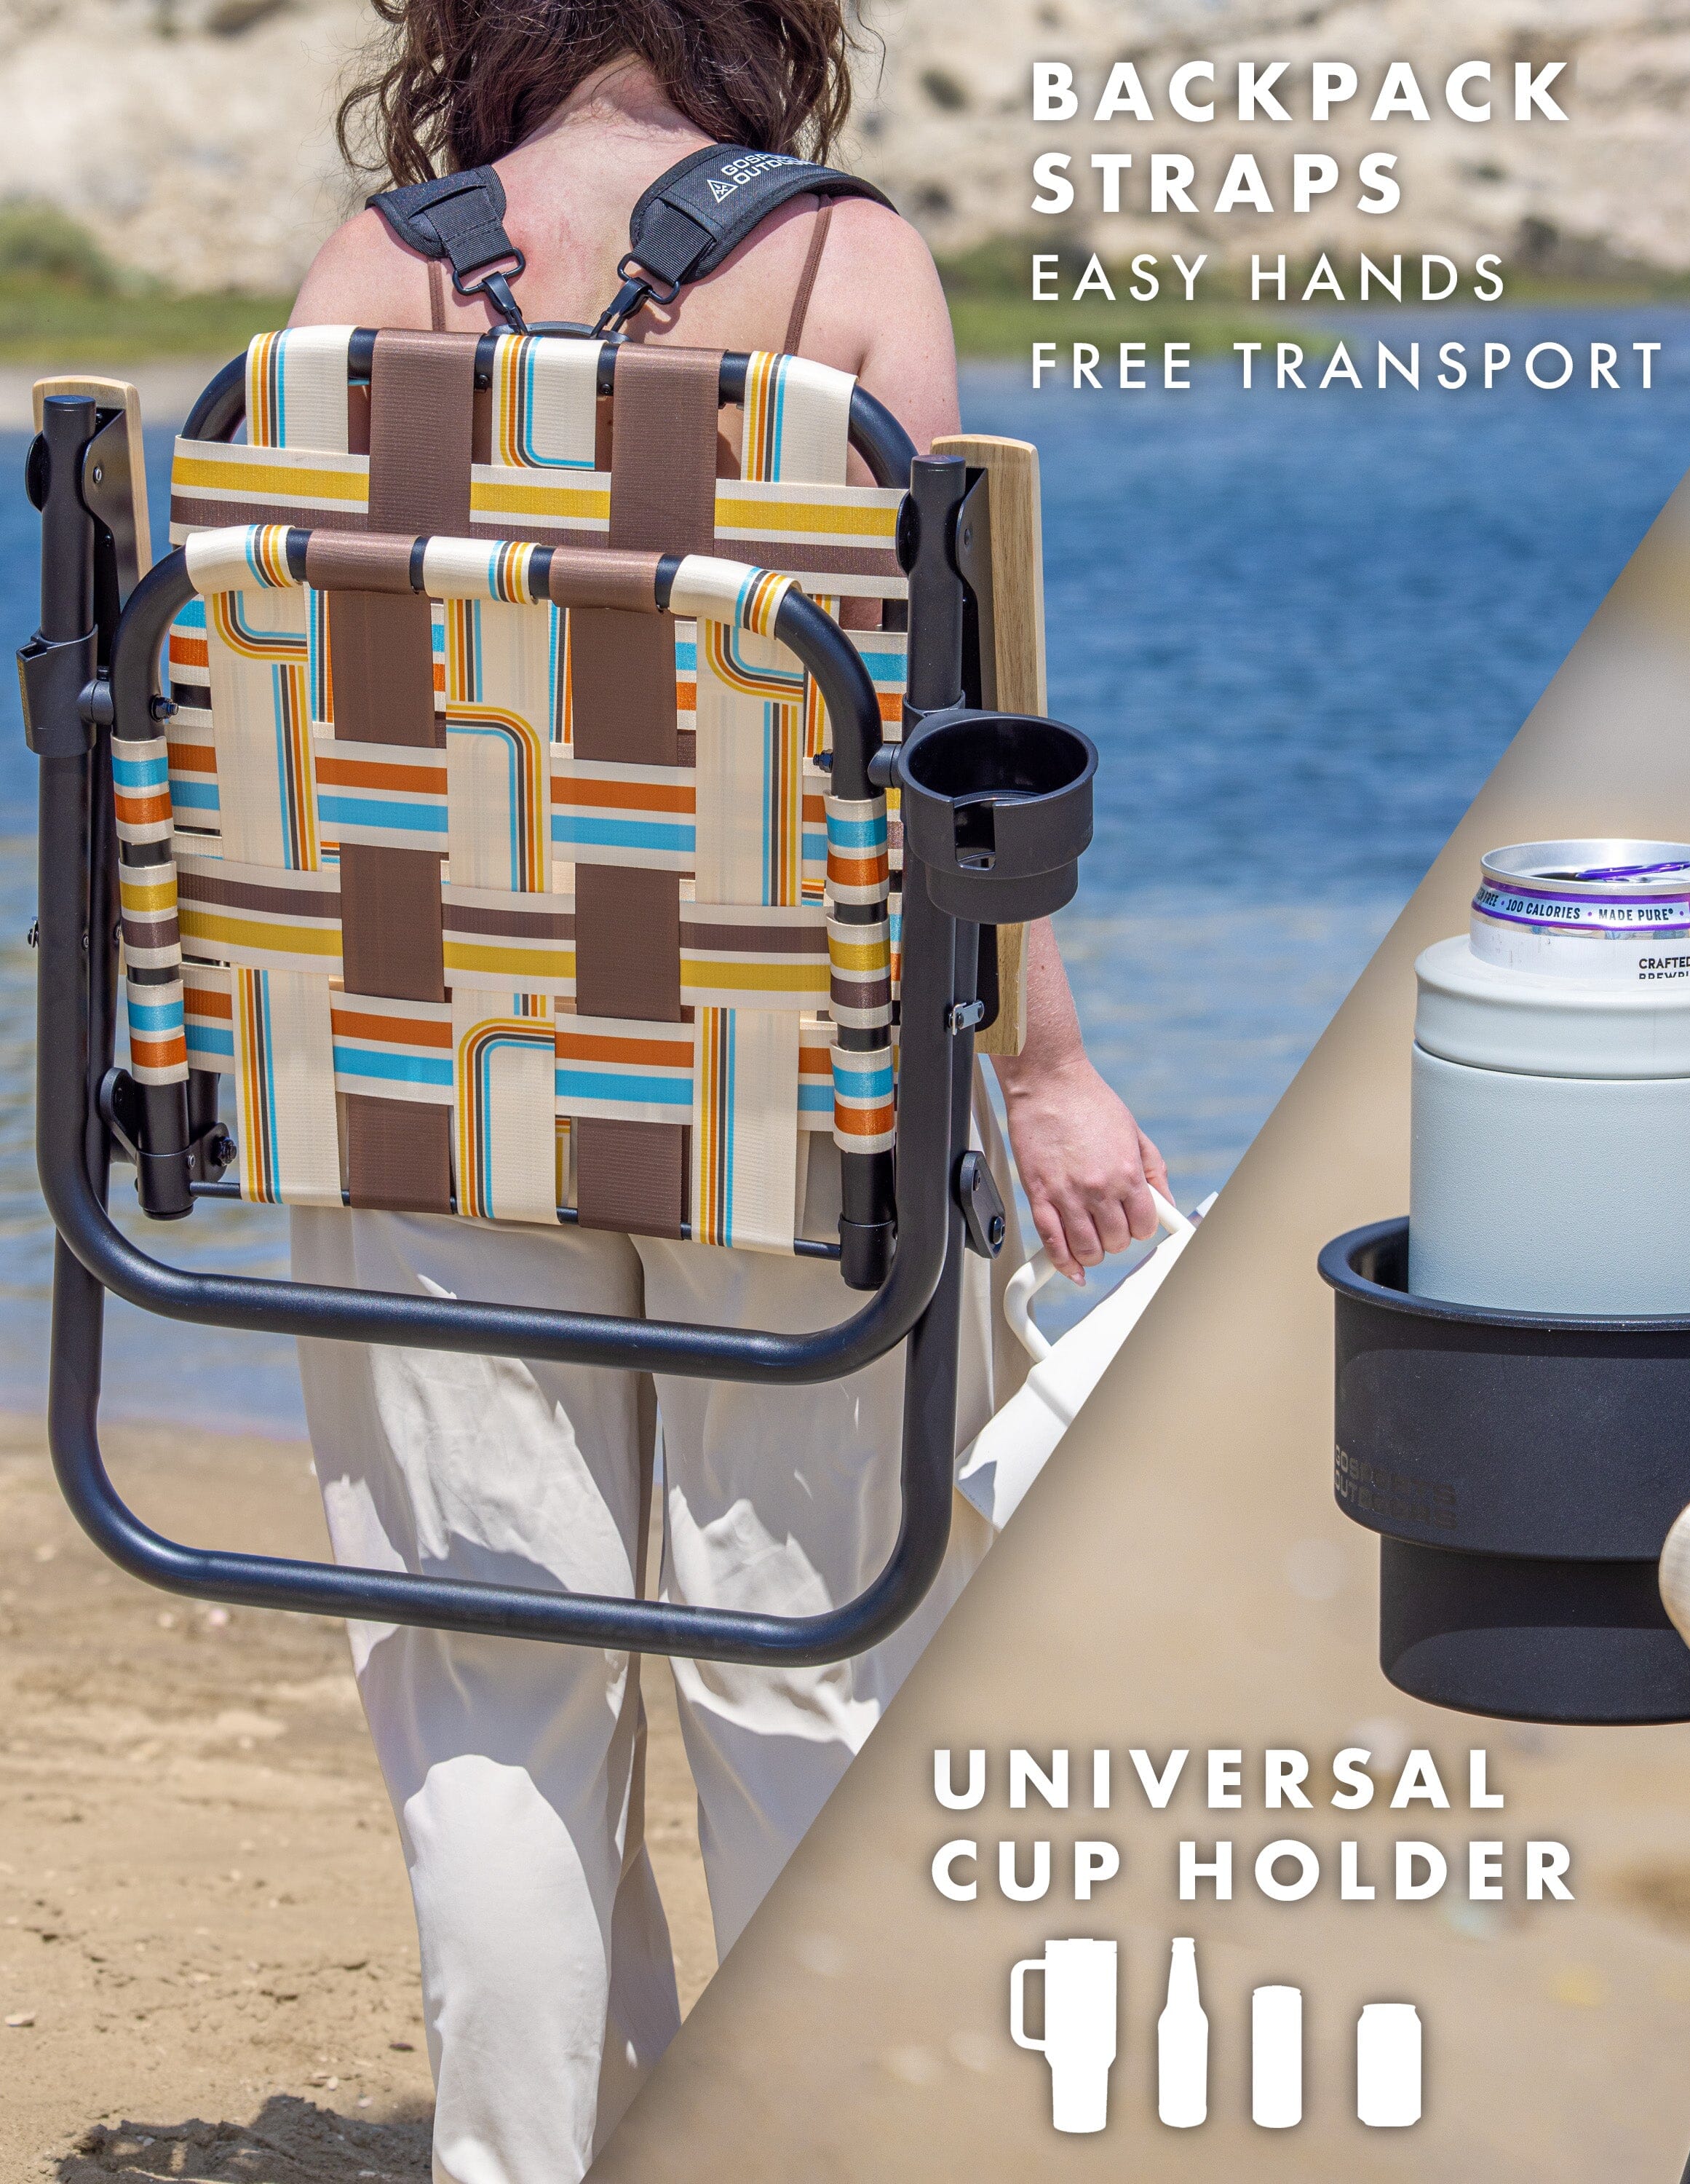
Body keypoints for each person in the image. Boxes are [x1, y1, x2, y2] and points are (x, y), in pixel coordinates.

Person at [284, 7, 1169, 2177]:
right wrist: (1045, 1074)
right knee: (799, 1672)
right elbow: (954, 744)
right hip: (787, 1093)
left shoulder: (359, 283)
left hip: (424, 1077)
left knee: (494, 1683)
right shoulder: (839, 270)